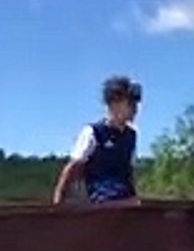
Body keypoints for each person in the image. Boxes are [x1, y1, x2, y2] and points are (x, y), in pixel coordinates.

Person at [52, 76, 142, 205]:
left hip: (128, 199)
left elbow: (130, 172)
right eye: (130, 104)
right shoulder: (93, 132)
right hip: (103, 201)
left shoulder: (131, 135)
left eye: (136, 104)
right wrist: (58, 202)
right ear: (114, 104)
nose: (135, 109)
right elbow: (72, 168)